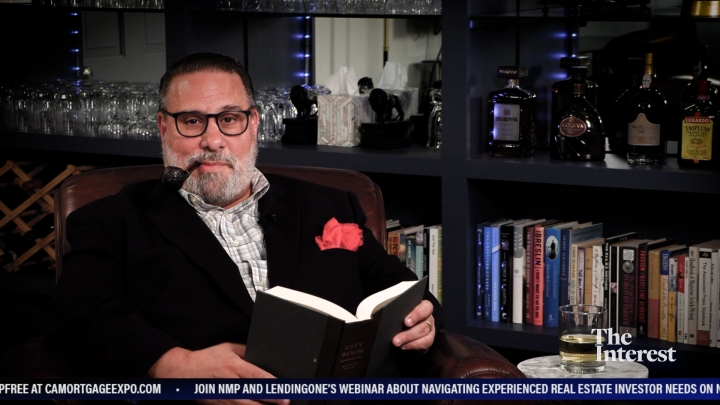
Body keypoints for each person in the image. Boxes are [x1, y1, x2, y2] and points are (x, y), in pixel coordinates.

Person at [43, 53, 443, 387]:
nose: (212, 140)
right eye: (191, 121)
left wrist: (422, 320)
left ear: (253, 124)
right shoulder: (112, 221)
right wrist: (175, 365)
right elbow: (78, 315)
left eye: (229, 119)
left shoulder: (330, 206)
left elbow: (397, 286)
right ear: (163, 127)